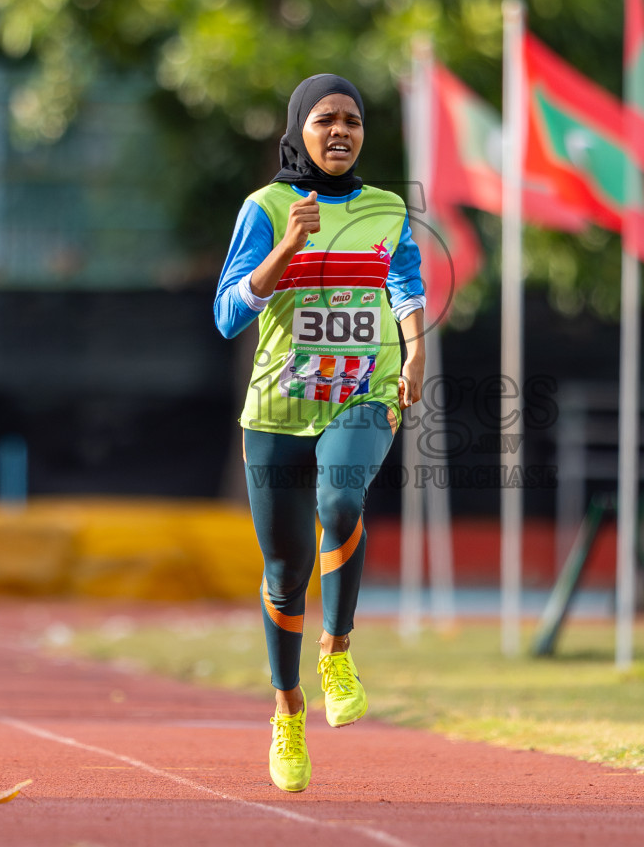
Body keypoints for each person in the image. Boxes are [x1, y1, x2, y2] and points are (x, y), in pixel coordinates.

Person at [214, 73, 425, 793]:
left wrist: (416, 343)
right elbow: (227, 314)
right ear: (299, 129)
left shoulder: (389, 208)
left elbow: (406, 281)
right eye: (327, 119)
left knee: (341, 499)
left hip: (363, 393)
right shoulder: (266, 207)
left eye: (354, 121)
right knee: (283, 573)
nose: (341, 131)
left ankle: (336, 650)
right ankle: (288, 709)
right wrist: (287, 248)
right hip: (277, 409)